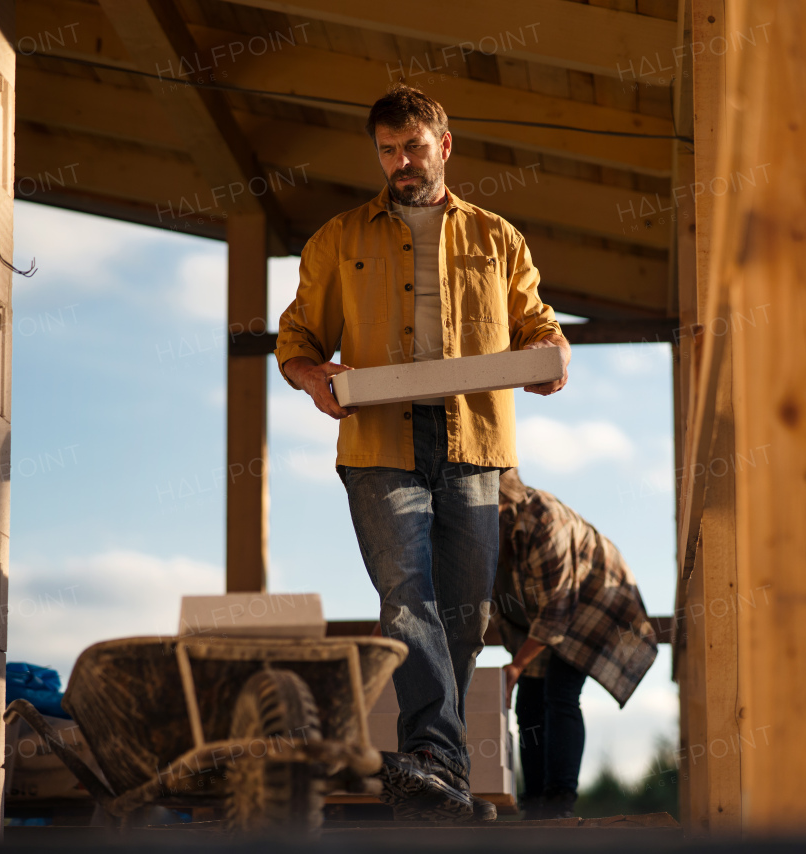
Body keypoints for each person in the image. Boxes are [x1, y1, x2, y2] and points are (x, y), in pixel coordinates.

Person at [275, 84, 570, 821]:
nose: (399, 162)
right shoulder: (338, 239)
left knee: (465, 616)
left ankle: (434, 775)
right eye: (386, 149)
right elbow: (297, 342)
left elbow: (538, 323)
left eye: (412, 146)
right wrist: (316, 378)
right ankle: (438, 757)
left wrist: (551, 352)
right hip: (379, 442)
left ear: (444, 145)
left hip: (474, 442)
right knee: (408, 598)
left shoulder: (498, 238)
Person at [493, 469, 658, 819]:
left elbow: (557, 610)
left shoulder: (545, 520)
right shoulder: (487, 534)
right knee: (529, 704)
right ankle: (534, 803)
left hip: (596, 603)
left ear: (503, 503)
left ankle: (558, 803)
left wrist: (517, 664)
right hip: (549, 615)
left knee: (560, 691)